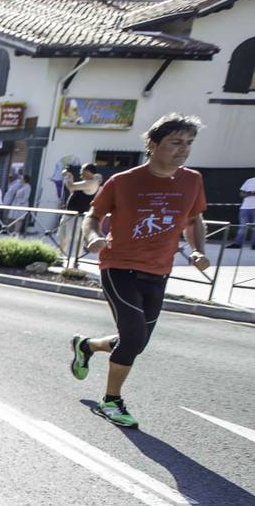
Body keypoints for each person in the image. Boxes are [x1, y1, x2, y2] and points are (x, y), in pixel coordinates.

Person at [69, 114, 209, 429]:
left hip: (159, 270)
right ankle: (111, 401)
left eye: (188, 143)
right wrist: (93, 238)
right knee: (133, 337)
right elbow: (91, 217)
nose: (182, 149)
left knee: (137, 342)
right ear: (152, 144)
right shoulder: (124, 181)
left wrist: (198, 249)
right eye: (175, 142)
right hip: (119, 266)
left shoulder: (193, 180)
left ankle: (87, 346)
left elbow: (193, 219)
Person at [61, 163, 101, 256]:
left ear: (88, 171)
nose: (80, 172)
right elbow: (72, 190)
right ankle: (60, 258)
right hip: (70, 214)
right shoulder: (86, 181)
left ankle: (76, 261)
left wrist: (68, 175)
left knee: (77, 239)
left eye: (82, 169)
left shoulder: (91, 182)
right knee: (63, 237)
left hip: (78, 217)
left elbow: (71, 186)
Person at [232, 176, 255, 248]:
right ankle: (237, 243)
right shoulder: (249, 180)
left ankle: (254, 244)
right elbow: (241, 194)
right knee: (242, 226)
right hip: (245, 207)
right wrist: (251, 193)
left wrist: (249, 193)